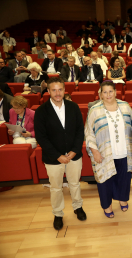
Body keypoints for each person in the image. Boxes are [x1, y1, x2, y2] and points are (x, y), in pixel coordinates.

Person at [34, 77, 86, 230]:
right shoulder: (41, 111)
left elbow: (80, 131)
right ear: (48, 91)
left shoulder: (73, 107)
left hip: (73, 155)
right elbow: (41, 137)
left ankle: (78, 206)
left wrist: (74, 150)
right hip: (53, 157)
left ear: (64, 90)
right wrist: (58, 155)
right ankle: (58, 213)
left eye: (60, 89)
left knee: (74, 183)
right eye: (54, 90)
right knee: (56, 187)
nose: (57, 93)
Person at [85, 81, 132, 218]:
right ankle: (107, 206)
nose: (108, 95)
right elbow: (89, 133)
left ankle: (122, 199)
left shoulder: (125, 107)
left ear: (115, 92)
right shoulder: (94, 110)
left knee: (123, 178)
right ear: (100, 94)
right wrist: (94, 151)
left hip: (124, 151)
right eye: (105, 92)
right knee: (105, 181)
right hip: (105, 152)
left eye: (110, 91)